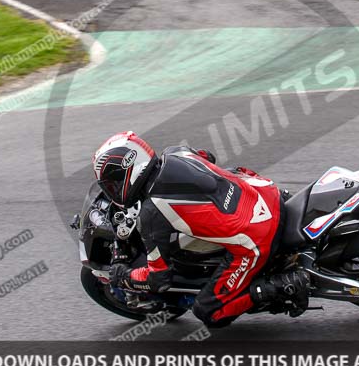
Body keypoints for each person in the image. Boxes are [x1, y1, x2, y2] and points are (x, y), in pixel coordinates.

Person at [92, 131, 309, 327]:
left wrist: (124, 276)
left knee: (209, 311)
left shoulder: (151, 215)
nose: (114, 191)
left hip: (257, 236)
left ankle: (281, 286)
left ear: (128, 173)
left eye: (113, 185)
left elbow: (158, 279)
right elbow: (208, 156)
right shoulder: (176, 153)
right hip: (264, 192)